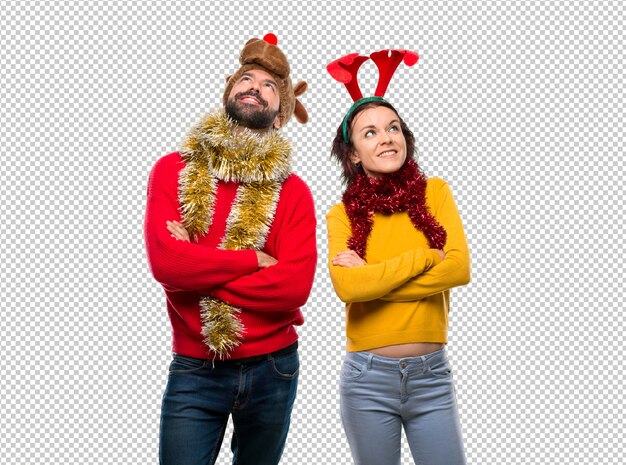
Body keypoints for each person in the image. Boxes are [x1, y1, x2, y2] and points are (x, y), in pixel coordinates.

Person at [144, 33, 317, 465]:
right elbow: (167, 264)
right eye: (246, 78)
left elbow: (293, 288)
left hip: (275, 367)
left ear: (280, 117)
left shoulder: (293, 193)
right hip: (194, 367)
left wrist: (197, 271)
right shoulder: (173, 170)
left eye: (269, 85)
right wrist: (252, 261)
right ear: (229, 93)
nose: (255, 86)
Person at [326, 49, 471, 465]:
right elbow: (348, 287)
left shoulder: (436, 193)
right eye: (369, 133)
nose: (386, 137)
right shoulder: (341, 215)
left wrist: (374, 279)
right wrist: (427, 258)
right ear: (352, 153)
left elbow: (459, 269)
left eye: (393, 128)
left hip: (432, 380)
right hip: (366, 380)